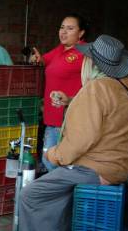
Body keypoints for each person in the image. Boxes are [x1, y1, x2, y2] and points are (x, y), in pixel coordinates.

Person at [4, 35, 128, 231]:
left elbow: (80, 140)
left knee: (33, 194)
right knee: (61, 189)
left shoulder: (96, 88)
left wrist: (53, 154)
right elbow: (107, 117)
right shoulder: (125, 85)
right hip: (122, 165)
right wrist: (72, 102)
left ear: (92, 63)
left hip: (97, 168)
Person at [29, 15, 89, 172]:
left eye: (70, 28)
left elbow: (93, 85)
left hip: (68, 120)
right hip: (52, 117)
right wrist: (36, 59)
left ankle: (64, 195)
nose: (64, 32)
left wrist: (71, 100)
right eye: (62, 27)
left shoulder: (85, 54)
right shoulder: (60, 50)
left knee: (54, 163)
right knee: (51, 161)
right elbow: (44, 60)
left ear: (81, 33)